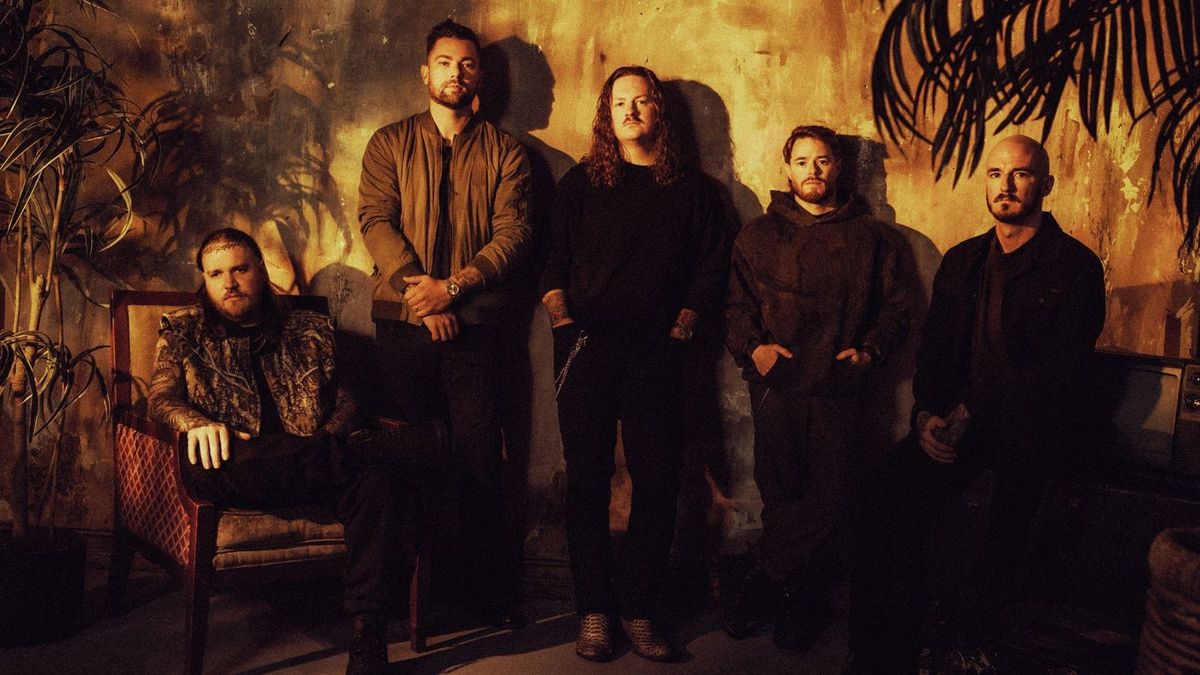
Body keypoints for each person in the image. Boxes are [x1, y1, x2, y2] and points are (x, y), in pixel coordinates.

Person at [848, 135, 1106, 673]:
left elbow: (1056, 375)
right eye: (995, 174)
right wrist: (926, 414)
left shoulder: (1074, 267)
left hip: (1031, 435)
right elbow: (936, 351)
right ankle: (880, 657)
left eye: (1020, 174)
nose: (1005, 185)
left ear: (1045, 185)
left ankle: (969, 646)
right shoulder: (964, 260)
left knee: (1003, 539)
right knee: (880, 497)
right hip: (958, 427)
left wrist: (968, 415)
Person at [148, 228, 446, 675]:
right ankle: (368, 449)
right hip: (235, 464)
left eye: (239, 270)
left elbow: (346, 401)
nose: (229, 283)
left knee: (377, 482)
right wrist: (197, 424)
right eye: (216, 274)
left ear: (260, 270)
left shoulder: (309, 328)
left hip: (310, 460)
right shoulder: (183, 330)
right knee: (231, 458)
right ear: (204, 280)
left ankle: (367, 636)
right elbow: (159, 399)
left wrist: (329, 436)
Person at [539, 65, 729, 663]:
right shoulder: (580, 183)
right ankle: (593, 611)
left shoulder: (693, 191)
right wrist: (563, 323)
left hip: (658, 353)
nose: (630, 110)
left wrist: (680, 330)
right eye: (619, 101)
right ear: (606, 113)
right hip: (585, 349)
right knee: (587, 480)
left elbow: (711, 270)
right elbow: (551, 261)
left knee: (659, 480)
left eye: (641, 101)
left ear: (658, 111)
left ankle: (640, 608)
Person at [356, 19, 532, 625]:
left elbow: (514, 234)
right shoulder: (388, 142)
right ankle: (400, 599)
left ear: (480, 76)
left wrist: (451, 291)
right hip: (401, 329)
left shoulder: (507, 151)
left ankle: (477, 597)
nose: (456, 73)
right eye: (445, 62)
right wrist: (422, 298)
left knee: (479, 459)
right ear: (424, 72)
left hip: (475, 329)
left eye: (467, 64)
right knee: (406, 456)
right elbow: (376, 221)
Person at [721, 125, 911, 650]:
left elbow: (896, 308)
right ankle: (796, 608)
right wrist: (754, 350)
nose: (812, 170)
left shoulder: (872, 238)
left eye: (822, 160)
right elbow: (734, 307)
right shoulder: (758, 236)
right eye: (802, 161)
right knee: (781, 498)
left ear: (838, 167)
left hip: (839, 389)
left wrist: (870, 351)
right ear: (787, 169)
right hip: (777, 390)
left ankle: (757, 572)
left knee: (836, 498)